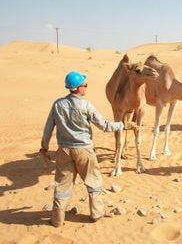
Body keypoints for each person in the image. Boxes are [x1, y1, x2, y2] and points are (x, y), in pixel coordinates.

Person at [39, 70, 136, 227]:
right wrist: (123, 125)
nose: (86, 87)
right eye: (85, 85)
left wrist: (44, 147)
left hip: (64, 151)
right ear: (78, 88)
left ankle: (57, 219)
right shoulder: (86, 106)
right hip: (84, 150)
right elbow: (105, 126)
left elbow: (48, 129)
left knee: (62, 185)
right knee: (93, 181)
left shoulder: (58, 105)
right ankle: (96, 214)